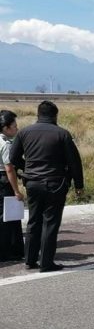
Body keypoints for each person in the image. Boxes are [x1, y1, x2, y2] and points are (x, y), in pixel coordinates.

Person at [10, 101, 84, 273]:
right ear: (55, 115)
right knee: (50, 222)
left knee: (34, 221)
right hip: (55, 183)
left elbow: (13, 158)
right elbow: (74, 162)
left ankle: (29, 259)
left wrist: (27, 169)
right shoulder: (62, 134)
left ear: (38, 114)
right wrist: (78, 185)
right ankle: (46, 262)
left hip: (32, 183)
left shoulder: (24, 132)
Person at [0, 110, 24, 263]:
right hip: (3, 181)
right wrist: (16, 191)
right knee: (6, 217)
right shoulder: (6, 144)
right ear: (6, 128)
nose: (16, 129)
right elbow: (9, 169)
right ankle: (6, 252)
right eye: (14, 126)